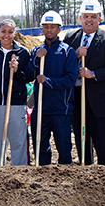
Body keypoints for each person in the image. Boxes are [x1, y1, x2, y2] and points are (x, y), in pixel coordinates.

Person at [63, 0, 105, 165]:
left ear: (99, 18)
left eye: (93, 16)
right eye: (86, 16)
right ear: (80, 18)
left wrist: (94, 74)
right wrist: (74, 55)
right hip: (78, 103)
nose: (89, 20)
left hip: (103, 104)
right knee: (82, 146)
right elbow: (61, 63)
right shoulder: (70, 38)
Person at [25, 10, 78, 165]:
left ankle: (66, 179)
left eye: (53, 27)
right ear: (42, 29)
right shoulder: (36, 51)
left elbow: (70, 80)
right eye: (46, 27)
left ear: (59, 29)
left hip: (61, 109)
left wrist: (47, 81)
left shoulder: (68, 52)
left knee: (64, 148)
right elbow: (28, 75)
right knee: (40, 148)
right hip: (40, 109)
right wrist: (37, 58)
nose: (49, 30)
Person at [0, 19, 30, 166]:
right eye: (3, 31)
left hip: (16, 103)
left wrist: (17, 71)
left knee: (19, 141)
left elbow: (28, 77)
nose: (6, 35)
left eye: (10, 32)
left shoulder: (22, 52)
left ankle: (21, 169)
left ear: (15, 33)